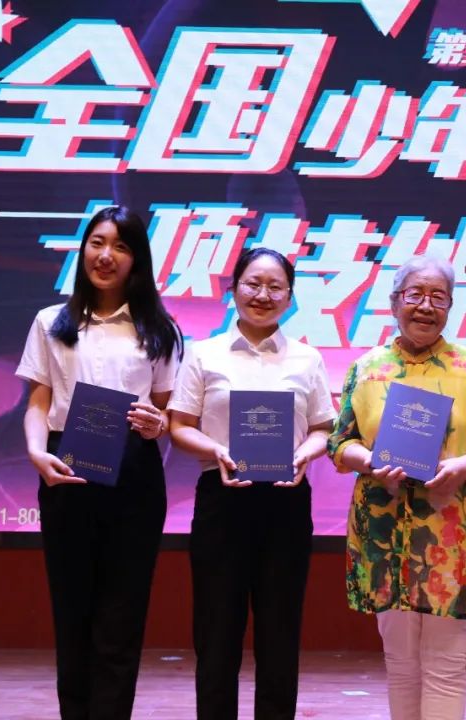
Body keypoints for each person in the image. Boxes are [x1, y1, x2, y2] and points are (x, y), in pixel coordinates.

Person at [327, 254, 466, 720]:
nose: (426, 306)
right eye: (415, 294)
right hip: (384, 532)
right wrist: (371, 462)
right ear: (395, 302)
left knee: (446, 664)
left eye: (438, 297)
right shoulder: (366, 368)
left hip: (453, 533)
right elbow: (339, 442)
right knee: (400, 663)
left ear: (450, 307)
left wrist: (465, 465)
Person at [16, 205, 183, 720]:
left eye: (121, 246)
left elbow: (166, 411)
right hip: (65, 465)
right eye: (97, 242)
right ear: (83, 249)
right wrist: (36, 452)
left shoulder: (159, 329)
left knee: (122, 615)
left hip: (133, 471)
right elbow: (39, 402)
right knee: (72, 611)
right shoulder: (51, 322)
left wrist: (157, 424)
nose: (106, 256)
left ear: (137, 261)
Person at [168, 247, 337, 720]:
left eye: (275, 286)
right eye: (253, 283)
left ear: (290, 296)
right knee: (216, 629)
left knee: (280, 630)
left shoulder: (307, 358)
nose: (263, 295)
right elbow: (179, 425)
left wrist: (305, 453)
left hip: (286, 502)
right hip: (223, 498)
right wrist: (216, 450)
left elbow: (324, 428)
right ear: (234, 288)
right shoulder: (204, 353)